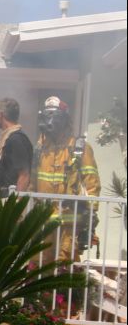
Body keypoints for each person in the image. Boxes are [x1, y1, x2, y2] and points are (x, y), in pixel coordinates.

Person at [32, 96, 100, 262]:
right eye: (46, 116)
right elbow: (32, 181)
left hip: (70, 219)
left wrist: (90, 215)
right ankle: (41, 289)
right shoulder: (40, 147)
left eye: (53, 116)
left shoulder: (80, 148)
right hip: (44, 218)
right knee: (38, 261)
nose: (49, 122)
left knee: (66, 262)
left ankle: (65, 289)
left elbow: (92, 183)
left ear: (63, 119)